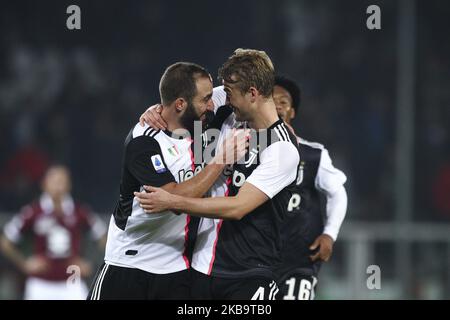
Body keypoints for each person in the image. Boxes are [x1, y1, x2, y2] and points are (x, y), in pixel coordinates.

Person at [135, 49, 301, 300]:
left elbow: (237, 207)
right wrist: (157, 109)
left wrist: (172, 202)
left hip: (248, 275)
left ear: (253, 94)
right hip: (201, 268)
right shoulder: (228, 112)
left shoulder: (282, 148)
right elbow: (184, 99)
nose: (219, 101)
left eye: (230, 93)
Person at [87, 62, 248, 300]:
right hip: (130, 263)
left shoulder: (200, 116)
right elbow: (174, 197)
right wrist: (221, 159)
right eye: (205, 99)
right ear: (180, 104)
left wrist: (280, 125)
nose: (212, 104)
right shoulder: (144, 141)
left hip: (176, 267)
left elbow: (250, 90)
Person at [272, 75, 347, 300]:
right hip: (253, 259)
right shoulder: (243, 149)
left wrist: (330, 234)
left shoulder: (313, 155)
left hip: (298, 260)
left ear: (292, 112)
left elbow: (338, 193)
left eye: (283, 102)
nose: (277, 105)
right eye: (271, 100)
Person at [0, 165, 107, 300]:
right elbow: (5, 242)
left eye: (62, 182)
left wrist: (91, 264)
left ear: (69, 185)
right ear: (44, 184)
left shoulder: (80, 211)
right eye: (54, 181)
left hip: (72, 281)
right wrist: (25, 263)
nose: (58, 187)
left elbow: (104, 238)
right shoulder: (33, 211)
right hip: (40, 283)